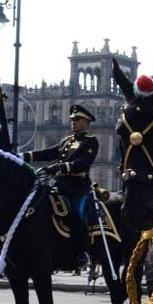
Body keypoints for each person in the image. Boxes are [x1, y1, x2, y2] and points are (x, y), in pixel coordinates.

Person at [23, 104, 99, 263]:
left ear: (86, 122)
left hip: (78, 188)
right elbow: (48, 153)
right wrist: (24, 156)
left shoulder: (91, 142)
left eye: (77, 119)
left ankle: (83, 251)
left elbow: (82, 164)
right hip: (59, 186)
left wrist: (58, 167)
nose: (73, 122)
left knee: (78, 215)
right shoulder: (66, 141)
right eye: (72, 119)